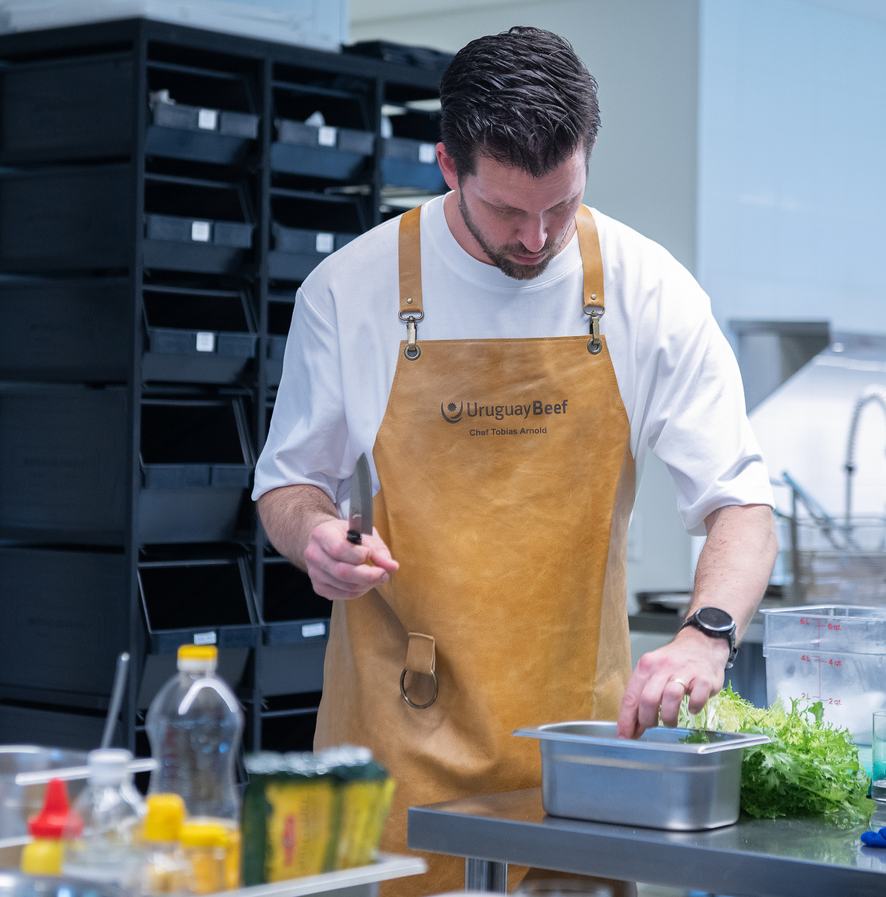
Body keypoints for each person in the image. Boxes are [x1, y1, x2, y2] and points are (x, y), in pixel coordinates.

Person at [253, 26, 776, 896]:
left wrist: (705, 636)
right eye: (507, 211)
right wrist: (313, 535)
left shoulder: (651, 290)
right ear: (447, 164)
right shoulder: (350, 290)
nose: (537, 238)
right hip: (394, 754)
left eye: (561, 206)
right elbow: (288, 484)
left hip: (578, 760)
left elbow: (742, 505)